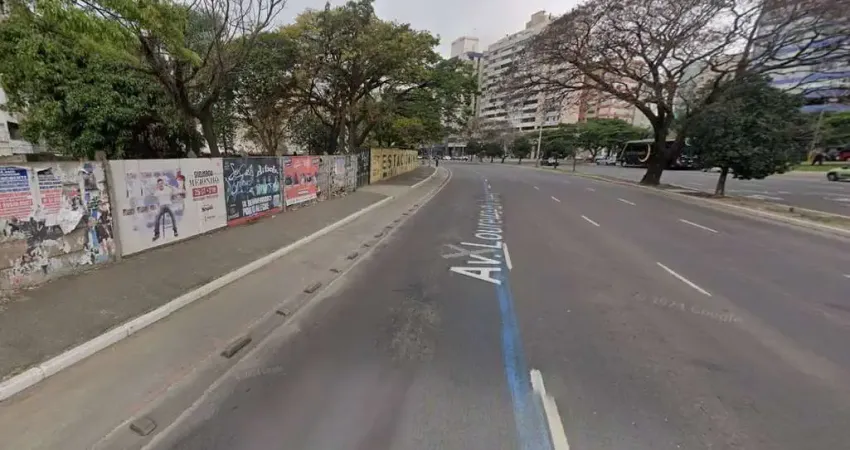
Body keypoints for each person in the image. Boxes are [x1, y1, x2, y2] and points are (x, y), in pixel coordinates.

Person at [152, 177, 181, 241]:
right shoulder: (157, 192)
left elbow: (175, 190)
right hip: (161, 207)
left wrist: (168, 185)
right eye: (159, 184)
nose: (161, 185)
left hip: (168, 206)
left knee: (173, 216)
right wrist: (157, 208)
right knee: (157, 218)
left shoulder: (167, 189)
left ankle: (175, 231)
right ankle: (157, 234)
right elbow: (155, 200)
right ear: (158, 185)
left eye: (162, 183)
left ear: (163, 183)